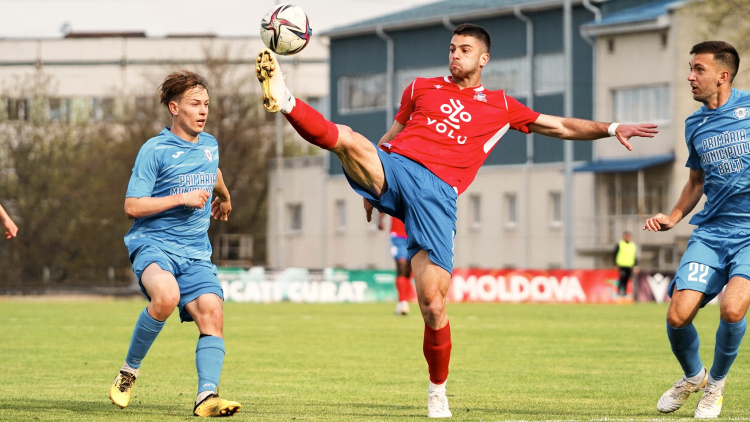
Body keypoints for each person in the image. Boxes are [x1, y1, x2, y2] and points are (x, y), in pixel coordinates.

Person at [256, 23, 657, 418]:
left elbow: (562, 126)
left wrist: (613, 127)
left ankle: (437, 391)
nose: (454, 55)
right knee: (347, 138)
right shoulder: (418, 88)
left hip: (438, 195)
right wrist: (371, 185)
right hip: (397, 169)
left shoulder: (501, 105)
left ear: (483, 59)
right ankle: (286, 98)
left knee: (432, 304)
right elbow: (389, 138)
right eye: (451, 48)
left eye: (463, 49)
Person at [109, 70, 241, 417]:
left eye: (206, 104)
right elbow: (132, 206)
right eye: (194, 104)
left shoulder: (210, 144)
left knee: (213, 312)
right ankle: (128, 372)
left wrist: (224, 197)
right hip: (152, 243)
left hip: (196, 252)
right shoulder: (154, 150)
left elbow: (214, 170)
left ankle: (207, 397)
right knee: (166, 297)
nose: (203, 111)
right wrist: (181, 198)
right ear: (173, 108)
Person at [644, 40, 750, 419]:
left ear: (722, 76)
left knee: (733, 309)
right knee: (677, 315)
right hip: (711, 233)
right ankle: (693, 377)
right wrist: (674, 216)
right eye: (690, 68)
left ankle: (716, 386)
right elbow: (695, 181)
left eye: (698, 69)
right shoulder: (695, 123)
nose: (690, 76)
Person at [379, 212, 412, 315]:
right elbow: (383, 198)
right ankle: (402, 302)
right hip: (397, 235)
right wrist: (380, 219)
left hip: (414, 234)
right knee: (401, 266)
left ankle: (403, 301)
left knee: (408, 270)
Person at [613, 231, 637, 299]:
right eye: (627, 236)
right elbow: (614, 254)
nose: (628, 238)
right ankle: (619, 293)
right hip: (622, 265)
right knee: (622, 279)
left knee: (627, 279)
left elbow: (634, 256)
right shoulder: (620, 244)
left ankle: (625, 293)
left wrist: (635, 265)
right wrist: (616, 264)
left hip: (629, 265)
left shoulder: (633, 245)